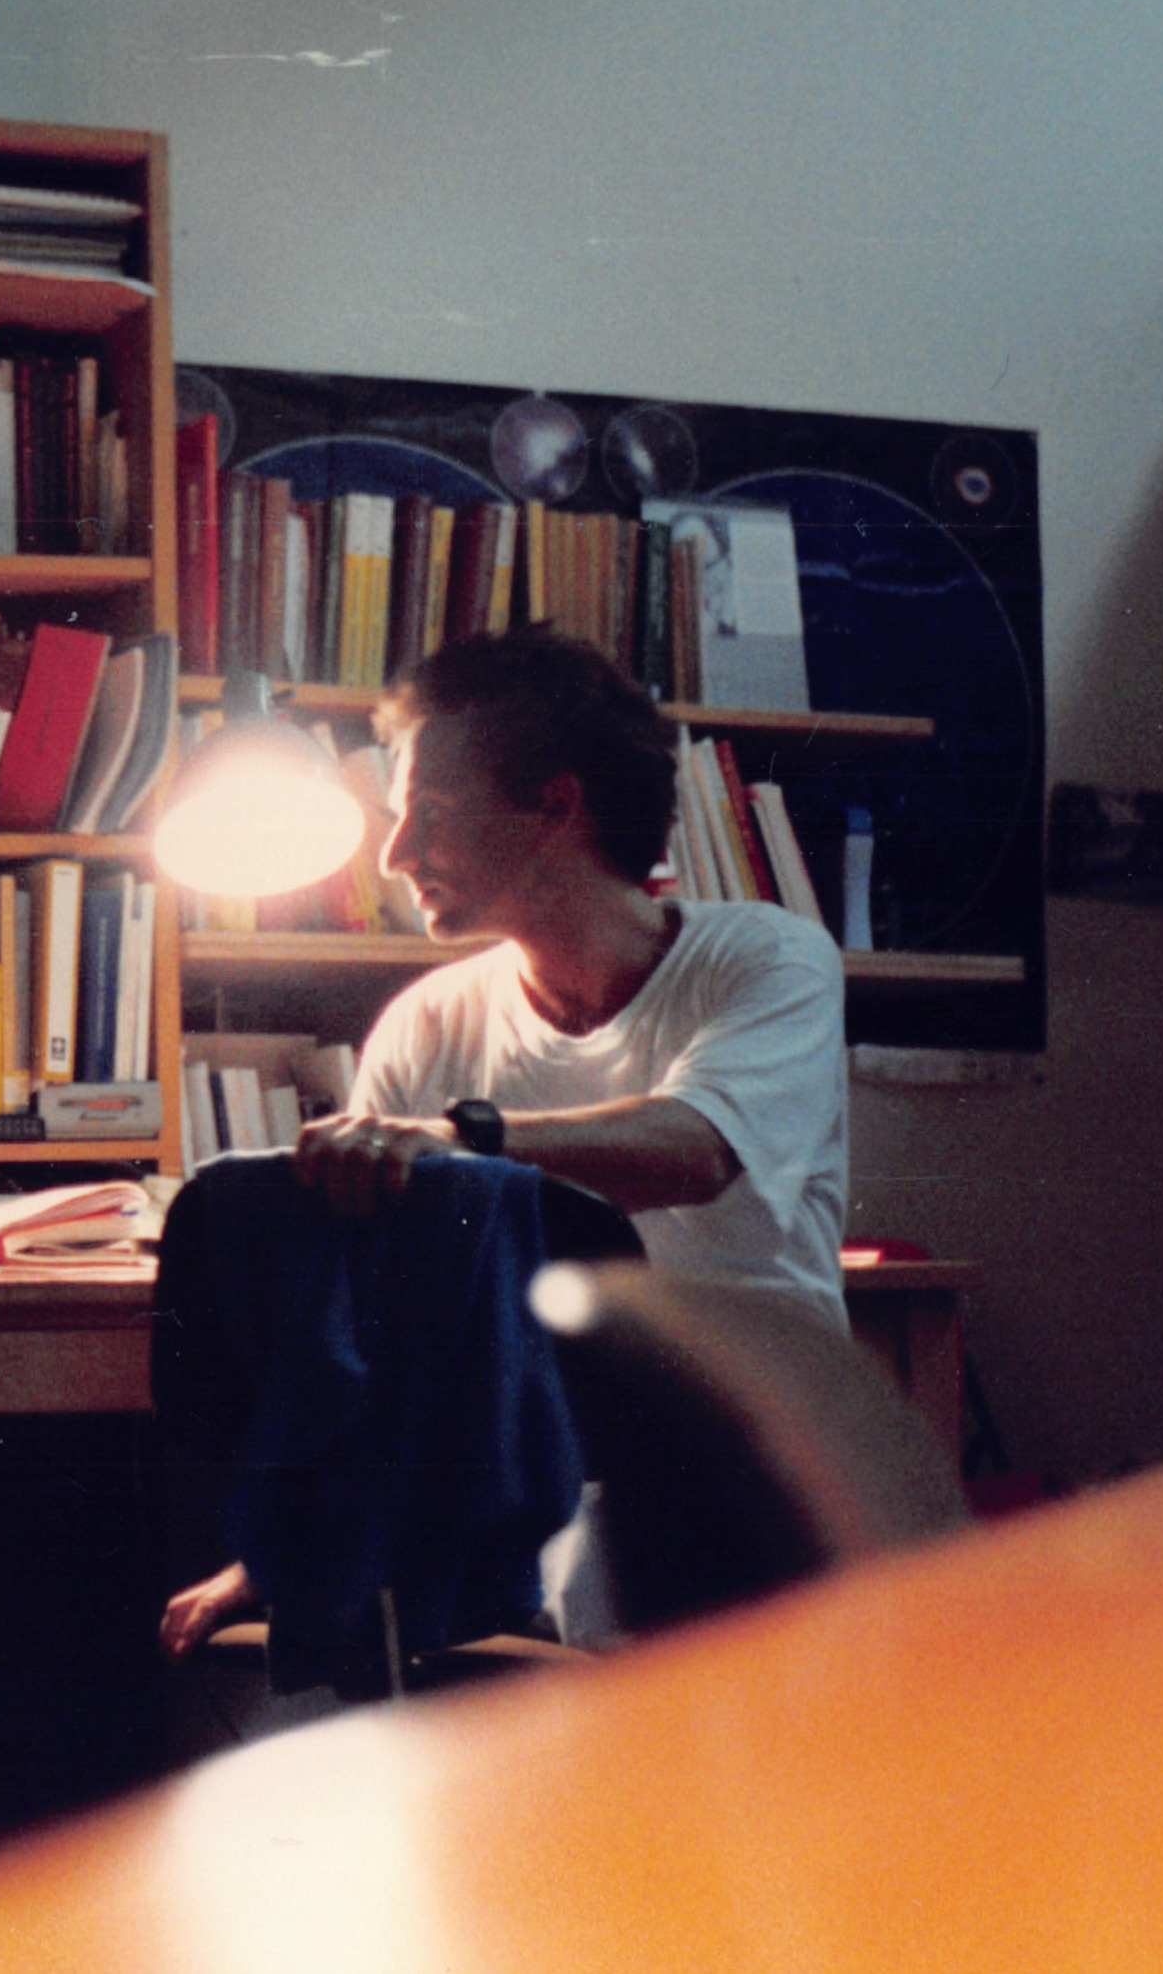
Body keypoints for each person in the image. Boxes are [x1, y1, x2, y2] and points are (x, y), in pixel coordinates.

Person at [161, 625, 849, 1660]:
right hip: (539, 1503)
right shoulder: (427, 1023)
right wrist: (280, 1547)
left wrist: (456, 1140)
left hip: (754, 1475)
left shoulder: (765, 957)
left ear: (555, 808)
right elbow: (378, 1337)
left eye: (429, 813)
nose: (393, 854)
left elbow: (694, 1149)